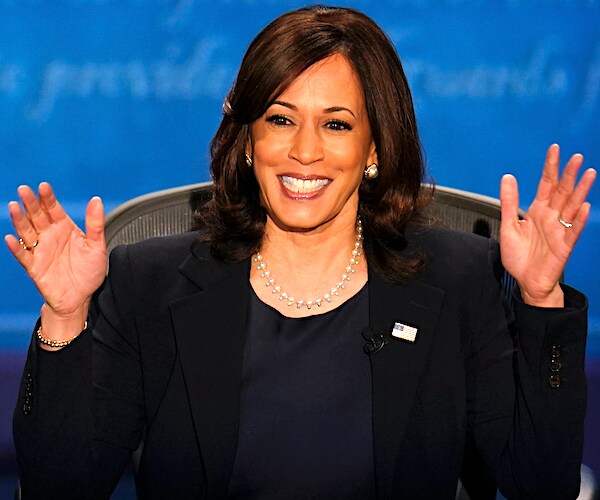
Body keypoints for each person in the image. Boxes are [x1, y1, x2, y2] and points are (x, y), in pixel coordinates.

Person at [5, 5, 596, 500]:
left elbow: (539, 485)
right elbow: (61, 486)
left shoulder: (459, 278)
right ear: (248, 142)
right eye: (280, 119)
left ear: (375, 148)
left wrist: (540, 299)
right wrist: (64, 316)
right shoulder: (147, 283)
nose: (304, 152)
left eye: (336, 125)